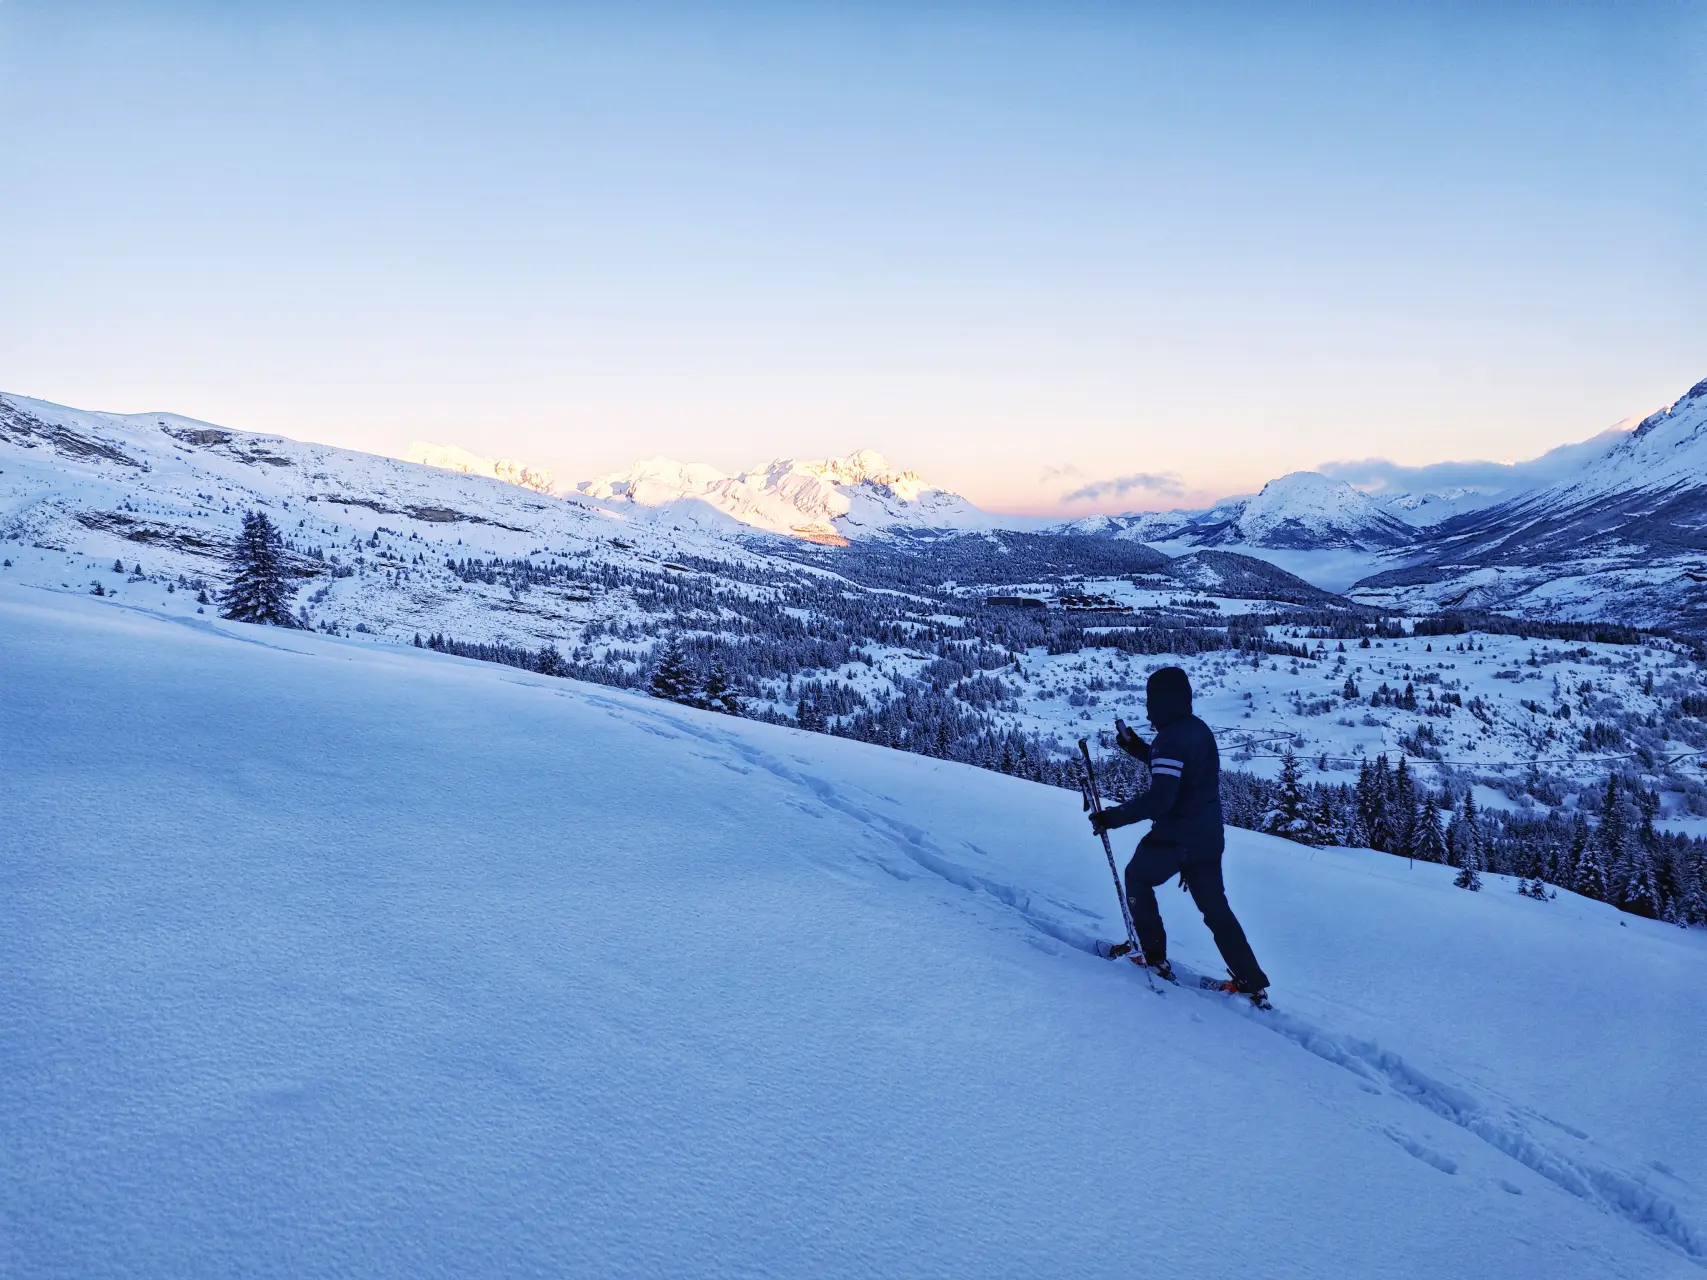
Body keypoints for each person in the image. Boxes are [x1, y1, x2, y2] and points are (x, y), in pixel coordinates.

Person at [1089, 665, 1270, 996]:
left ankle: (1152, 956)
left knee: (1138, 877)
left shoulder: (1170, 739)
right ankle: (1251, 982)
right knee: (1216, 910)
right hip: (1208, 837)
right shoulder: (1196, 730)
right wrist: (1137, 748)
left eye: (1150, 700)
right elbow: (1173, 767)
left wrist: (1111, 818)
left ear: (1158, 702)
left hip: (1177, 837)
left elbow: (1161, 799)